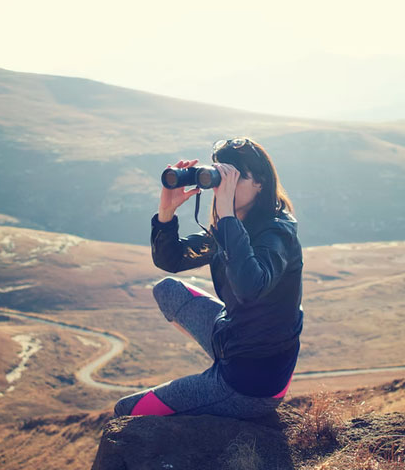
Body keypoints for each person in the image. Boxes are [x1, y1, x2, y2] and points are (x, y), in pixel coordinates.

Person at [113, 137, 303, 419]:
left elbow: (250, 287)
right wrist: (166, 213)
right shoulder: (236, 225)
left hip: (252, 383)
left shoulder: (276, 234)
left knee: (127, 410)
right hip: (234, 337)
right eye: (220, 178)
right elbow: (172, 260)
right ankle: (219, 366)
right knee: (167, 290)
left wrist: (226, 214)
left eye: (235, 178)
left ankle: (217, 385)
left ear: (260, 183)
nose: (223, 188)